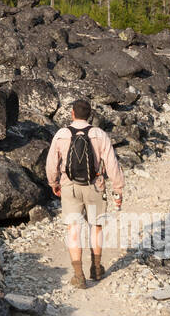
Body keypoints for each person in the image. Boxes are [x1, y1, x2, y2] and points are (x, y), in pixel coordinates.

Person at [44, 98, 125, 288]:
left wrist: (53, 183)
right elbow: (112, 163)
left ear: (72, 113)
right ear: (90, 115)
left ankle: (78, 275)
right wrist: (118, 189)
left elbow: (51, 163)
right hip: (95, 185)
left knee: (74, 229)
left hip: (69, 186)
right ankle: (96, 268)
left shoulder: (62, 134)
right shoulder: (99, 134)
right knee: (96, 227)